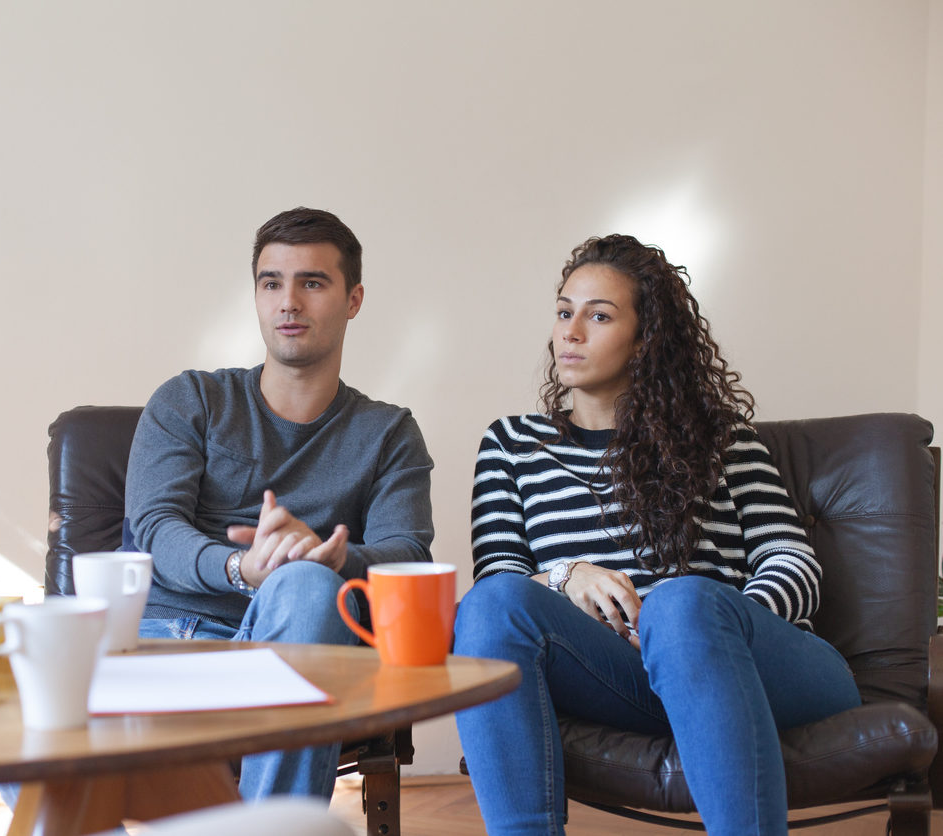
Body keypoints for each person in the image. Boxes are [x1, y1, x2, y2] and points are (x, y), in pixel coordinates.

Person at [453, 234, 861, 836]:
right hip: (621, 676)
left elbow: (791, 559)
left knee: (680, 604)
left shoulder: (725, 440)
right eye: (565, 312)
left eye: (599, 316)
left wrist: (711, 631)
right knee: (486, 605)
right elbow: (502, 581)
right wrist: (568, 575)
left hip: (762, 668)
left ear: (646, 339)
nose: (570, 332)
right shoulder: (512, 445)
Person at [123, 206, 434, 801]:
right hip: (161, 642)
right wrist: (243, 567)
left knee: (305, 585)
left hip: (295, 643)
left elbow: (408, 555)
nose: (288, 302)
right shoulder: (192, 399)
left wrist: (325, 559)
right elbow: (155, 528)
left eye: (312, 282)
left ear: (354, 299)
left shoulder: (388, 433)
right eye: (272, 283)